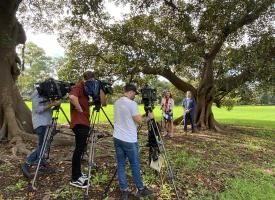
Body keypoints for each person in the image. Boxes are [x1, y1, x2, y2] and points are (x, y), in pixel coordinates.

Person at [113, 84, 153, 200]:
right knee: (134, 164)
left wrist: (142, 116)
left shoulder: (117, 102)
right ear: (130, 92)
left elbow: (129, 117)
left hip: (117, 137)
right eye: (135, 93)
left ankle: (124, 190)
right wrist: (149, 117)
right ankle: (140, 189)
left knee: (121, 164)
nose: (135, 95)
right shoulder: (132, 104)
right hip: (129, 140)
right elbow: (139, 121)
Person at [69, 71, 106, 189]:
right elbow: (72, 97)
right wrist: (79, 109)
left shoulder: (85, 90)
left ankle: (78, 174)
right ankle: (75, 178)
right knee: (79, 149)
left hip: (84, 122)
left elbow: (100, 103)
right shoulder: (78, 86)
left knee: (80, 149)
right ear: (86, 79)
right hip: (79, 123)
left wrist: (91, 102)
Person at [21, 88, 61, 179]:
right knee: (42, 146)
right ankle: (27, 163)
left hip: (47, 123)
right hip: (40, 124)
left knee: (44, 145)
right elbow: (38, 109)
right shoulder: (36, 94)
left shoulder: (46, 94)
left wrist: (53, 102)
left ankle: (42, 165)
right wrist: (52, 104)